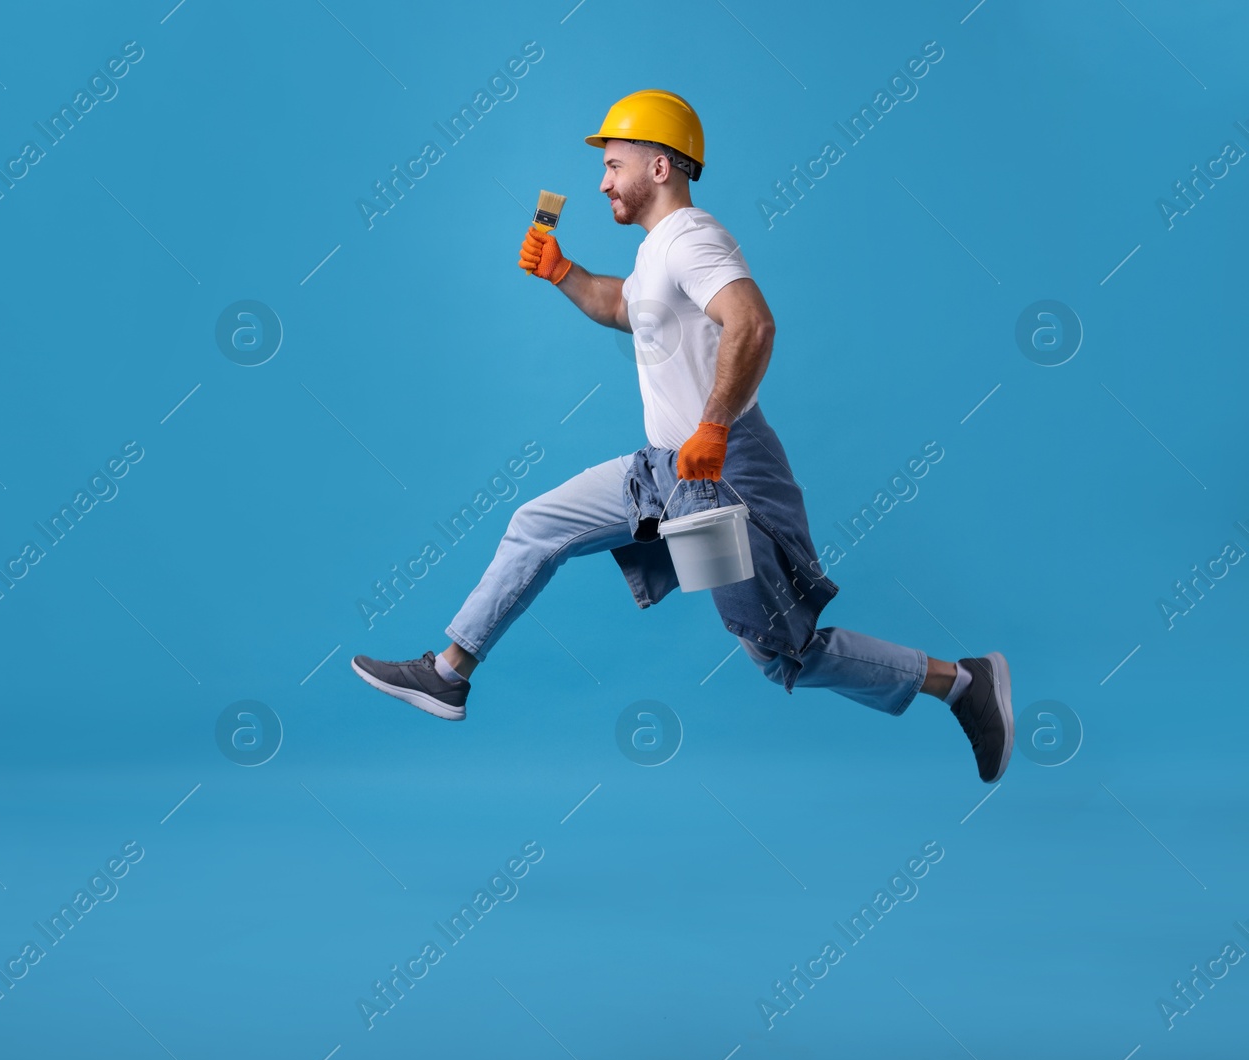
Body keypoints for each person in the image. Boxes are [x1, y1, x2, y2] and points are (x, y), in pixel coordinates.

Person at [351, 90, 1013, 782]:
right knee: (537, 523)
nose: (602, 181)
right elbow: (625, 305)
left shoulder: (693, 239)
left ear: (660, 167)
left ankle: (963, 682)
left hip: (722, 481)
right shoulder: (655, 253)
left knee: (783, 653)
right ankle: (449, 672)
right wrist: (563, 272)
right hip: (665, 473)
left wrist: (715, 426)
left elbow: (752, 323)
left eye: (613, 164)